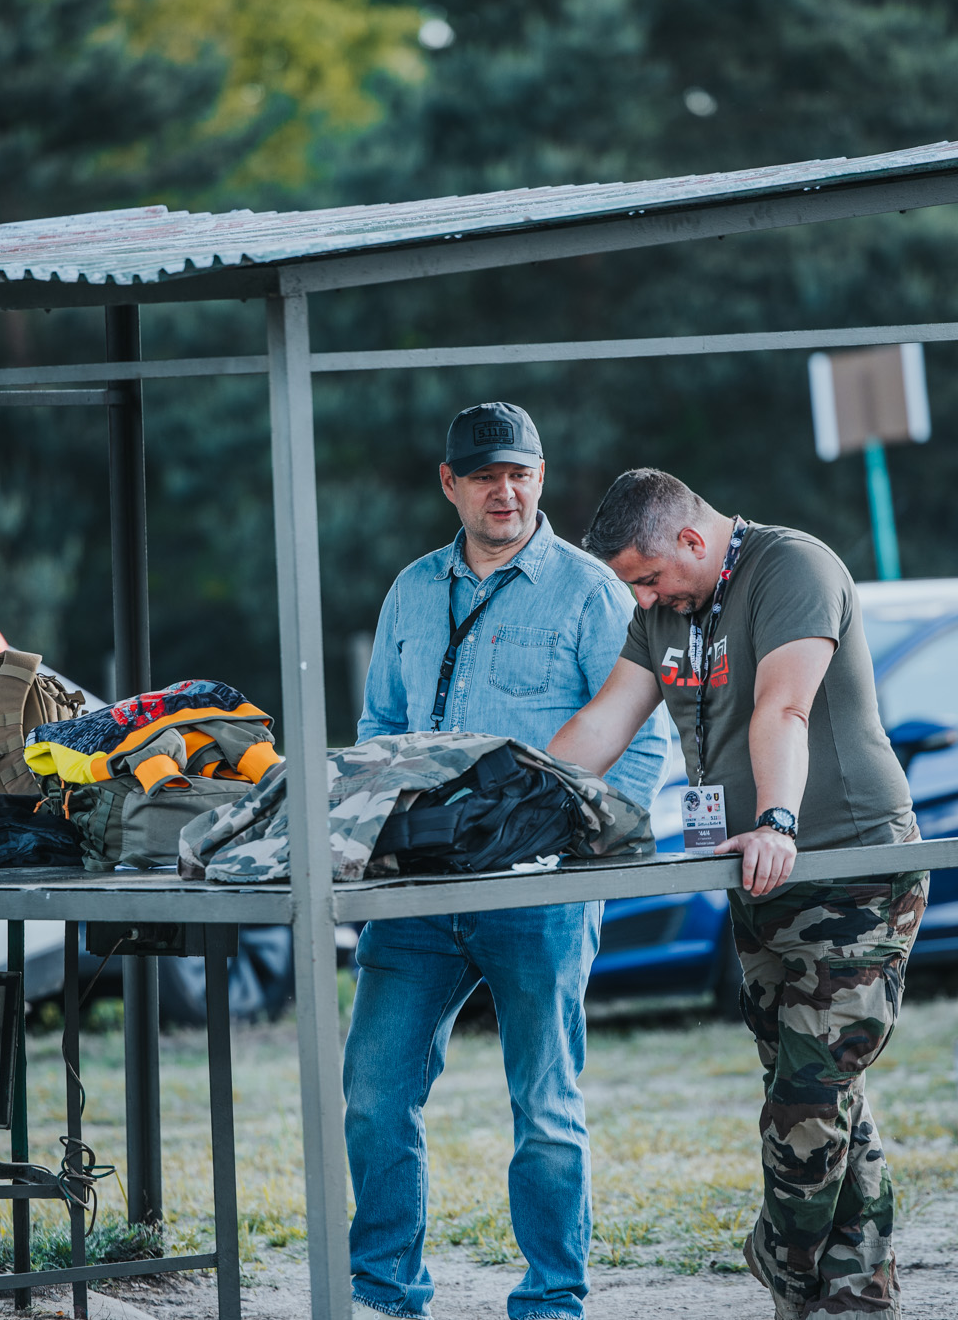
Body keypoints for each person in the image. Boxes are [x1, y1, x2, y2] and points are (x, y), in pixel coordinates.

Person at [545, 468, 924, 1320]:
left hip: (850, 867)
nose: (644, 598)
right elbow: (604, 723)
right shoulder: (662, 613)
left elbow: (783, 709)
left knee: (811, 1097)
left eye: (648, 578)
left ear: (690, 539)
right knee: (820, 1090)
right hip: (756, 877)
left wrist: (779, 819)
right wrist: (515, 805)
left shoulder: (795, 569)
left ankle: (782, 1261)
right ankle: (855, 1293)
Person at [348, 402, 669, 1320]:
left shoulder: (590, 590)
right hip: (415, 891)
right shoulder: (411, 590)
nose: (506, 490)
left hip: (541, 890)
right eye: (485, 474)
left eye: (521, 472)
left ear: (542, 476)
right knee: (373, 1092)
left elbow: (641, 743)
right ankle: (385, 1296)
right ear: (449, 483)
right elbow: (378, 726)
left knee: (546, 1105)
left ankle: (551, 1300)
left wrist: (582, 846)